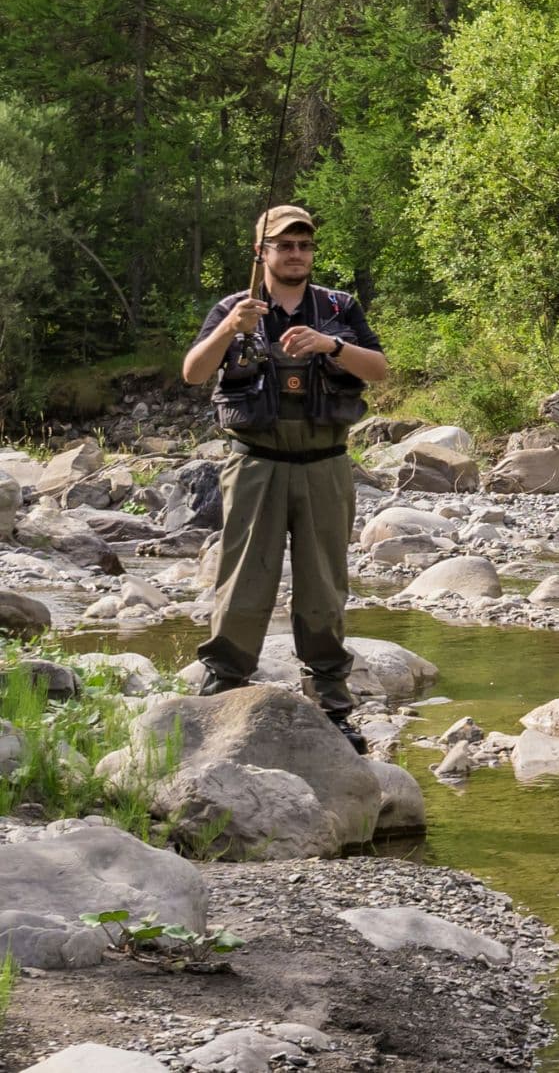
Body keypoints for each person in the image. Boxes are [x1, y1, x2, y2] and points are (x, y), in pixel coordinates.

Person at [180, 206, 389, 750]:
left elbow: (381, 369)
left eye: (304, 245)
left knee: (324, 584)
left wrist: (331, 346)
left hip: (326, 463)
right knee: (244, 577)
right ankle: (224, 687)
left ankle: (332, 701)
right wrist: (231, 329)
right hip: (256, 461)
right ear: (262, 252)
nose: (296, 253)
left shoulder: (339, 308)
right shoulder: (234, 308)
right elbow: (194, 372)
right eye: (284, 245)